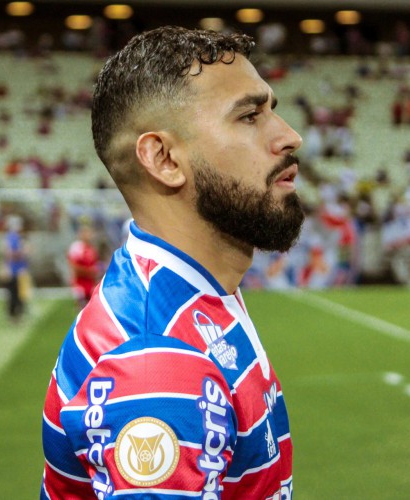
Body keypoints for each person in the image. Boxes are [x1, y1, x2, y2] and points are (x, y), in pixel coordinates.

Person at [41, 26, 304, 498]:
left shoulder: (194, 292)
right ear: (163, 158)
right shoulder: (156, 362)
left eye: (273, 111)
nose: (290, 137)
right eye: (249, 116)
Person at [4, 215, 30, 323]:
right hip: (14, 270)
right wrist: (23, 252)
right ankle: (14, 315)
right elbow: (10, 254)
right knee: (14, 293)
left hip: (19, 269)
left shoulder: (18, 237)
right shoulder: (12, 237)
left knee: (19, 293)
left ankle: (17, 313)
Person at [66, 224, 100, 305]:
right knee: (81, 310)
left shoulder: (91, 248)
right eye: (85, 233)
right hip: (80, 285)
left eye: (89, 233)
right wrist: (90, 271)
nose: (88, 235)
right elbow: (73, 267)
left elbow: (95, 266)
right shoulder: (77, 247)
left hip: (91, 284)